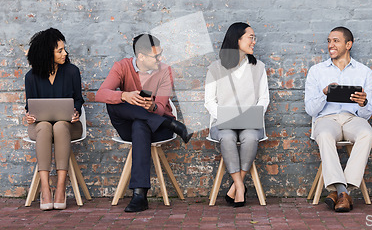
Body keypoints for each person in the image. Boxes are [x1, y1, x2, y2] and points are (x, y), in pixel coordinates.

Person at [95, 34, 192, 212]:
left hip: (157, 130)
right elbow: (100, 94)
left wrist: (153, 107)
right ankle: (173, 125)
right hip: (148, 125)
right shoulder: (122, 67)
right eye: (156, 56)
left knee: (140, 125)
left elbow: (162, 107)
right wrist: (124, 95)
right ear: (140, 56)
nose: (160, 59)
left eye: (161, 54)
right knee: (113, 103)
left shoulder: (165, 70)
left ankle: (139, 195)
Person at [304, 26, 372, 212]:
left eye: (335, 40)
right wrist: (325, 93)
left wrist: (363, 103)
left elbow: (367, 114)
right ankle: (344, 192)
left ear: (348, 44)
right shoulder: (316, 71)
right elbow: (311, 109)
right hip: (326, 118)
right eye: (329, 41)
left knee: (367, 134)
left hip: (352, 118)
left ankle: (339, 192)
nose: (330, 45)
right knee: (325, 135)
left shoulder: (365, 72)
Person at [204, 22, 269, 207]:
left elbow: (264, 99)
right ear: (237, 39)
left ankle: (235, 187)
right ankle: (240, 187)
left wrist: (253, 115)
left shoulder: (259, 67)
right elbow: (209, 101)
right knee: (227, 137)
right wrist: (228, 117)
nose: (254, 42)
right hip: (222, 123)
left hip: (251, 122)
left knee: (250, 137)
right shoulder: (215, 68)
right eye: (251, 37)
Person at [24, 28, 84, 210]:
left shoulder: (72, 72)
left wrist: (76, 112)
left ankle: (60, 188)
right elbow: (30, 105)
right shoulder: (31, 77)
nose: (64, 53)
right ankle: (45, 188)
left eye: (64, 49)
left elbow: (79, 100)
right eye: (59, 50)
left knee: (59, 126)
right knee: (43, 126)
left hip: (69, 127)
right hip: (40, 129)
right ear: (46, 53)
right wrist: (29, 116)